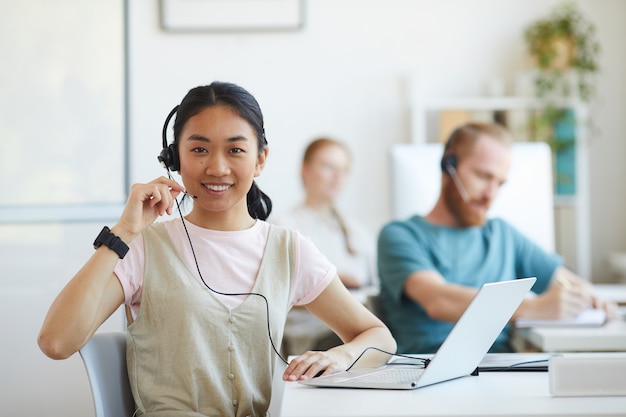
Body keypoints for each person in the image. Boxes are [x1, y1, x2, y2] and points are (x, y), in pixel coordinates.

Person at [38, 81, 396, 417]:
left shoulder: (289, 249)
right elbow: (56, 342)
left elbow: (379, 338)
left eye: (236, 150)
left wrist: (342, 356)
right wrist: (123, 232)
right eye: (199, 149)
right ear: (174, 160)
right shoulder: (144, 247)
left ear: (260, 160)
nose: (217, 167)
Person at [377, 122, 619, 354]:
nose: (490, 195)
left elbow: (568, 282)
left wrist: (590, 298)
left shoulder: (502, 234)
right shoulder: (400, 235)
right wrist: (534, 308)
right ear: (448, 165)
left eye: (500, 183)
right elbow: (438, 300)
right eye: (483, 176)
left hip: (503, 367)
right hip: (427, 371)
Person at [271, 138, 378, 355]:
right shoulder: (284, 227)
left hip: (357, 326)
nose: (337, 176)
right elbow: (275, 295)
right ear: (305, 170)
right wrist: (332, 286)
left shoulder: (357, 231)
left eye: (344, 170)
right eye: (328, 167)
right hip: (313, 335)